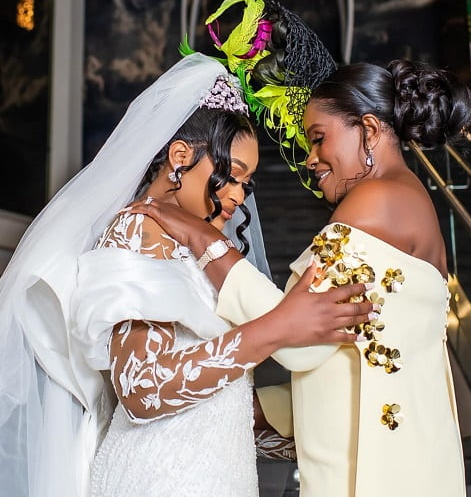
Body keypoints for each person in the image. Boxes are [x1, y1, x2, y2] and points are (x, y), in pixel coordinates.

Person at [127, 0, 471, 496]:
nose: (310, 159)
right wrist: (249, 410)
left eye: (318, 137)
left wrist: (204, 239)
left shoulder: (376, 200)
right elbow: (349, 360)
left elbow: (300, 341)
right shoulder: (408, 203)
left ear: (369, 130)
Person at [0, 48, 375, 494]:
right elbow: (141, 389)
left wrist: (320, 432)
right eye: (231, 175)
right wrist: (276, 327)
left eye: (246, 183)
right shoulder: (139, 227)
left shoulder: (206, 254)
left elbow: (219, 403)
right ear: (180, 155)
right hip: (156, 479)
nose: (238, 196)